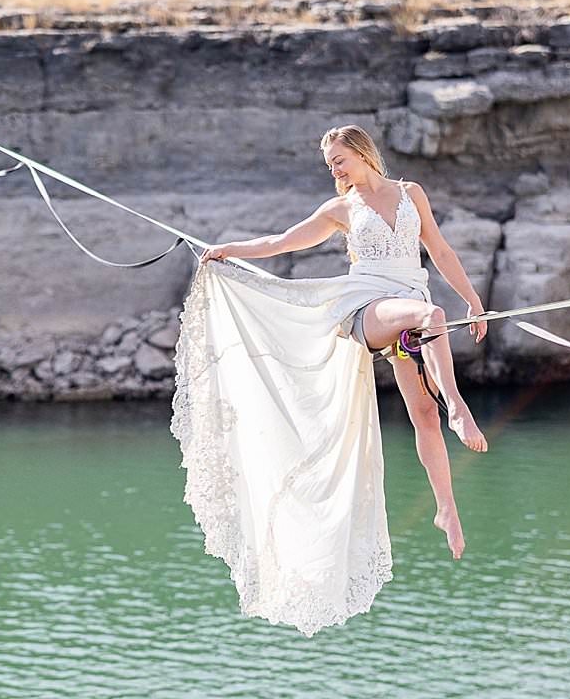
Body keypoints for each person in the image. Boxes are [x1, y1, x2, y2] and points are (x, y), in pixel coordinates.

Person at [170, 124, 489, 636]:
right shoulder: (340, 210)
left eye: (339, 160)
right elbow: (280, 242)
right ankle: (458, 404)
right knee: (430, 318)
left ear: (362, 154)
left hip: (406, 306)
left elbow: (442, 252)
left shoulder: (411, 195)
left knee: (421, 414)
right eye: (331, 165)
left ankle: (446, 510)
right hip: (367, 310)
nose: (335, 170)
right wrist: (229, 249)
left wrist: (473, 302)